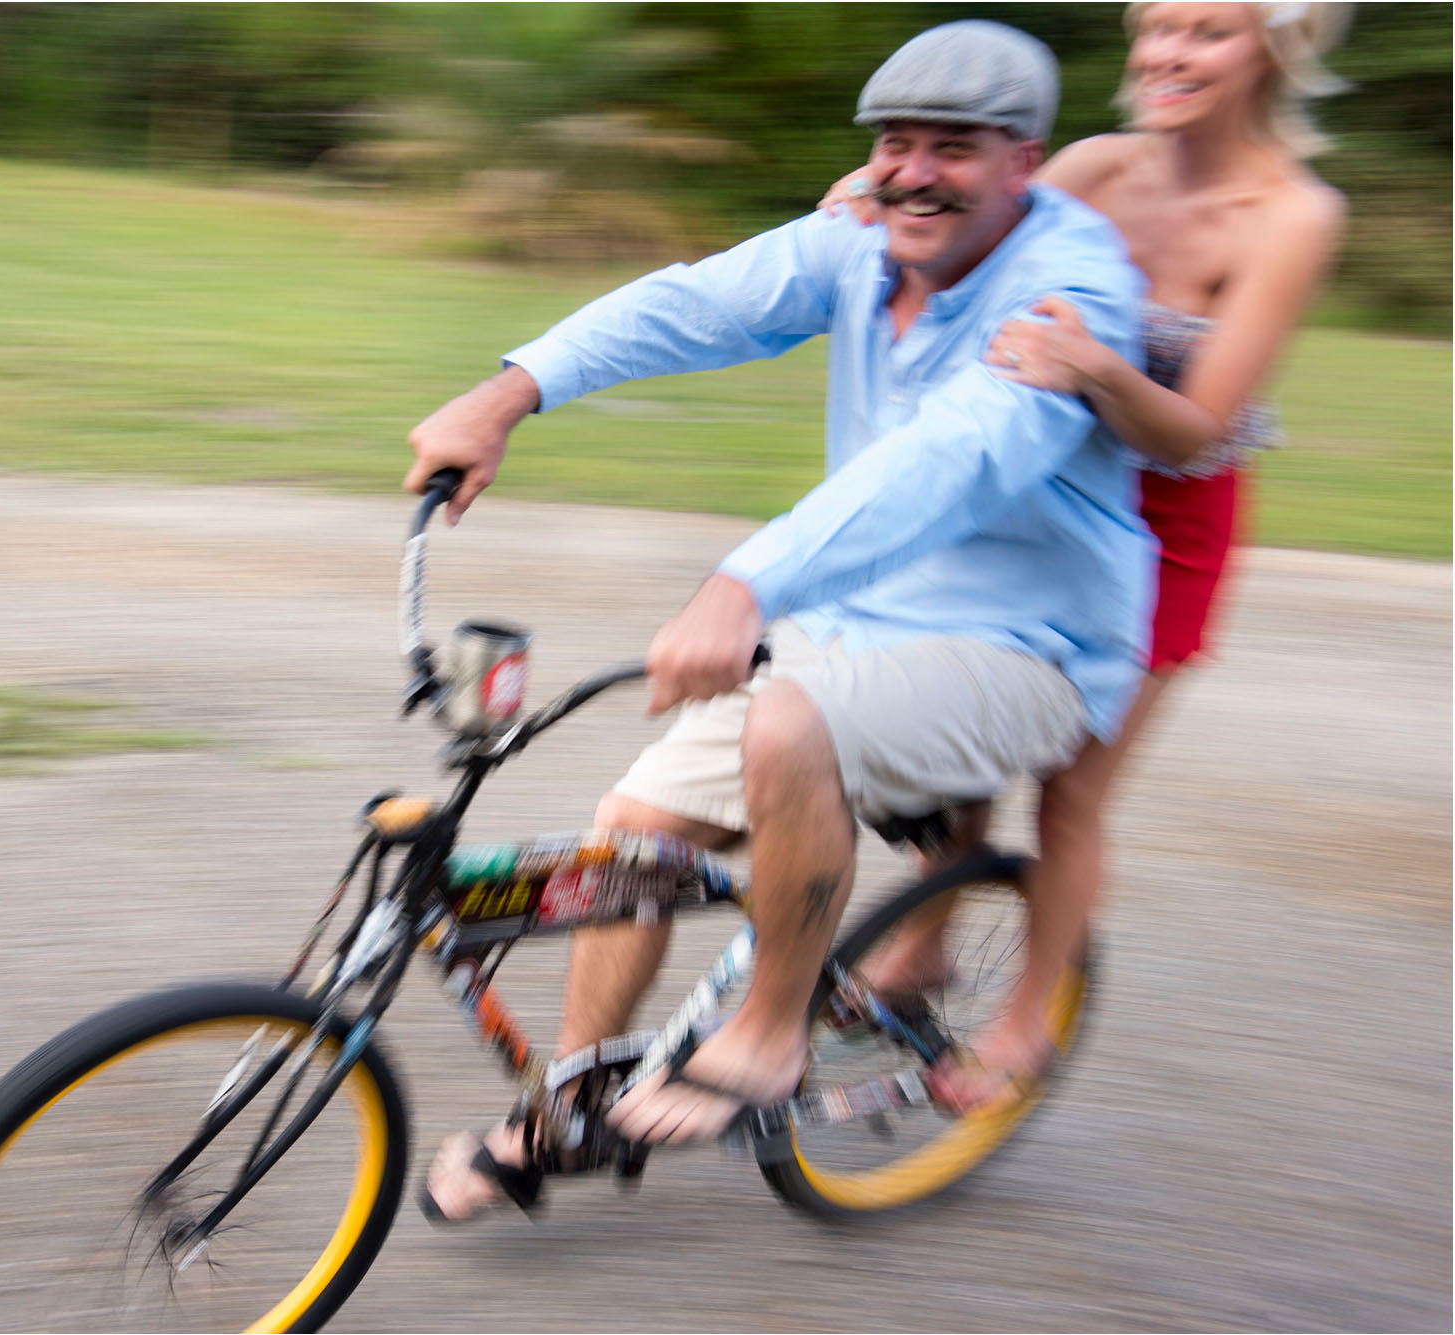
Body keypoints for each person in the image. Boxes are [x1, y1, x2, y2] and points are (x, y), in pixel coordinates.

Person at [404, 19, 1158, 1223]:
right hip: (855, 615)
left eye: (950, 147)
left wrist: (746, 584)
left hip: (1024, 645)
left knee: (784, 727)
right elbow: (699, 305)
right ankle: (566, 1110)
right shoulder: (864, 232)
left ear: (1024, 160)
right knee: (629, 837)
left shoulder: (1073, 298)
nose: (910, 169)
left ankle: (765, 1036)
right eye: (893, 142)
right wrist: (510, 391)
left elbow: (948, 463)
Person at [821, 1, 1349, 1110]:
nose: (1165, 54)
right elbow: (964, 232)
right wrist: (868, 206)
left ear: (1271, 48)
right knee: (961, 746)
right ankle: (918, 950)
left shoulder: (1291, 215)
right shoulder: (1096, 166)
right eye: (1155, 27)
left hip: (1171, 517)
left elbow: (1199, 428)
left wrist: (1093, 368)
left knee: (1067, 793)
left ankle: (1023, 1025)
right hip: (1041, 487)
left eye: (1205, 31)